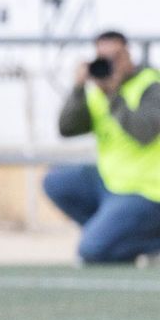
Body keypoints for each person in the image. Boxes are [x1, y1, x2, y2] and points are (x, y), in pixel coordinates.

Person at [43, 31, 160, 264]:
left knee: (91, 251)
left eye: (115, 56)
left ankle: (149, 239)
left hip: (145, 191)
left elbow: (144, 133)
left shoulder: (151, 85)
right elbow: (67, 128)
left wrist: (114, 94)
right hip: (108, 182)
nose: (108, 64)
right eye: (102, 57)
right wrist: (78, 87)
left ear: (128, 54)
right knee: (55, 180)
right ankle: (119, 236)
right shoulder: (97, 88)